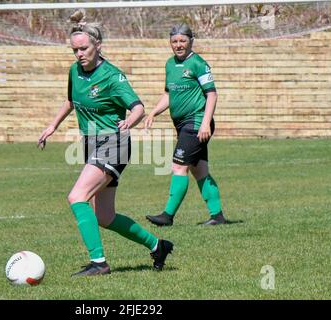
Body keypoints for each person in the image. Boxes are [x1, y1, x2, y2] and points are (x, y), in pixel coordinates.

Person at [38, 9, 173, 276]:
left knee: (77, 197)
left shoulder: (113, 76)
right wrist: (52, 125)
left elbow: (138, 107)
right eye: (74, 50)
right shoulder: (74, 72)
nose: (79, 54)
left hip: (114, 144)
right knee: (105, 217)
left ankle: (99, 263)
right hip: (92, 144)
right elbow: (70, 100)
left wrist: (129, 122)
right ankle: (158, 246)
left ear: (97, 45)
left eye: (84, 48)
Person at [145, 23, 226, 227]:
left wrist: (205, 123)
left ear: (191, 41)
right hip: (182, 125)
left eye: (183, 41)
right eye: (174, 41)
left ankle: (167, 216)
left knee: (178, 166)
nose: (178, 45)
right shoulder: (170, 64)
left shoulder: (199, 63)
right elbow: (168, 94)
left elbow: (212, 94)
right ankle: (217, 216)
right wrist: (154, 112)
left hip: (196, 123)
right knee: (200, 170)